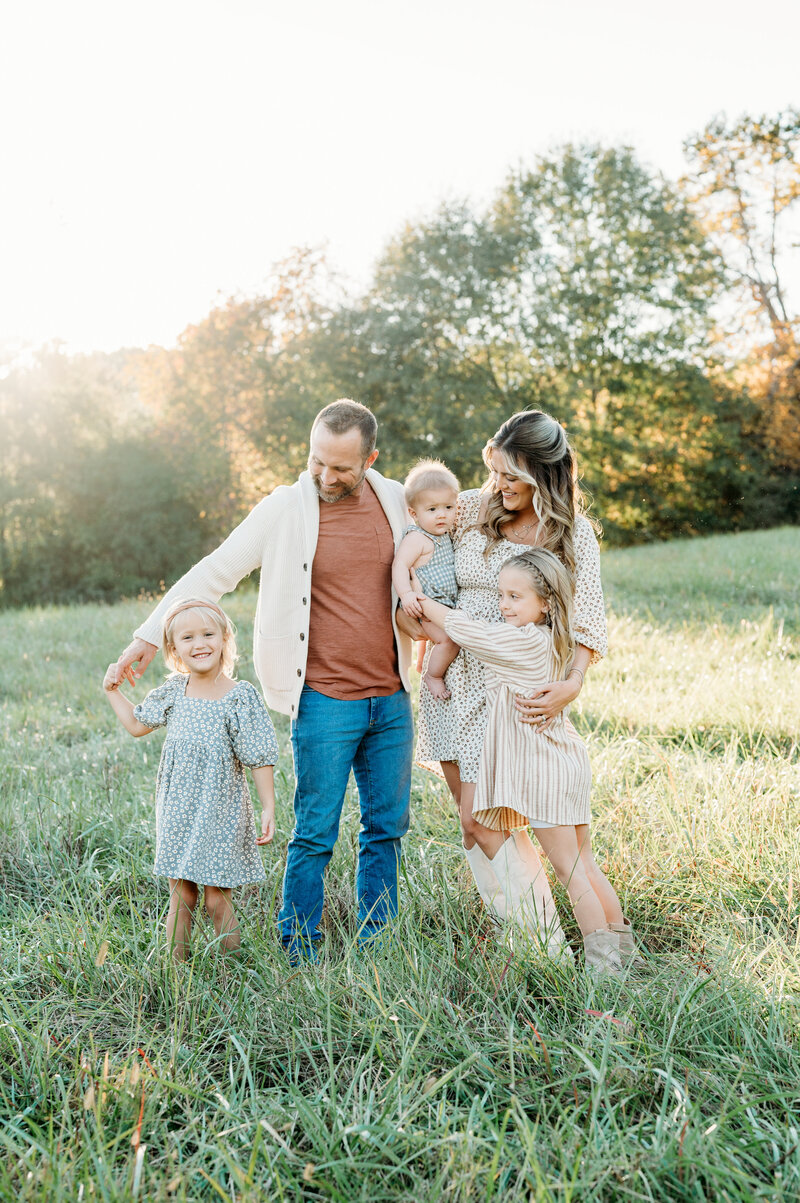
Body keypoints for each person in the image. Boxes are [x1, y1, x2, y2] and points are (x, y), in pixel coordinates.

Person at [111, 400, 413, 963]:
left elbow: (456, 518)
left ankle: (378, 942)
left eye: (343, 467)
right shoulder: (285, 508)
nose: (326, 476)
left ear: (371, 458)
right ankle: (299, 947)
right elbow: (214, 571)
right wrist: (148, 636)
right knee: (315, 832)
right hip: (324, 698)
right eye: (317, 460)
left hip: (392, 696)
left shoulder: (398, 499)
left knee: (386, 828)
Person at [414, 410, 639, 961]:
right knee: (477, 826)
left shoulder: (572, 533)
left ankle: (565, 952)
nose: (500, 486)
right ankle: (537, 946)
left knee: (515, 818)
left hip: (518, 689)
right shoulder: (468, 508)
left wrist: (574, 683)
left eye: (514, 477)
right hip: (454, 681)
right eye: (494, 472)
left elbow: (586, 617)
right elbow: (411, 521)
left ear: (546, 474)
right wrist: (410, 603)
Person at [417, 551, 628, 972]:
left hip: (543, 769)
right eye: (501, 594)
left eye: (516, 596)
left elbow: (466, 630)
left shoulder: (521, 641)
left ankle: (604, 971)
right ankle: (625, 953)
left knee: (570, 872)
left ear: (546, 603)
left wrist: (418, 599)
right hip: (565, 759)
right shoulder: (554, 640)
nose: (504, 605)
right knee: (585, 862)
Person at [103, 598, 278, 961]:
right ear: (173, 648)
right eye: (187, 638)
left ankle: (232, 975)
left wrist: (268, 806)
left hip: (220, 810)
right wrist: (112, 691)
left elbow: (259, 755)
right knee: (182, 895)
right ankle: (176, 975)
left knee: (216, 898)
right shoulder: (172, 692)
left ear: (225, 638)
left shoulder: (239, 696)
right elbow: (137, 724)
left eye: (208, 634)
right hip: (178, 810)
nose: (199, 644)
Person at [391, 459, 460, 700]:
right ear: (414, 513)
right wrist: (406, 595)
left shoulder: (445, 534)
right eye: (432, 509)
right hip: (426, 605)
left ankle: (422, 662)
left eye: (448, 507)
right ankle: (433, 675)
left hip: (443, 603)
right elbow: (400, 565)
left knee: (435, 639)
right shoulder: (417, 538)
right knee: (449, 640)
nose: (442, 515)